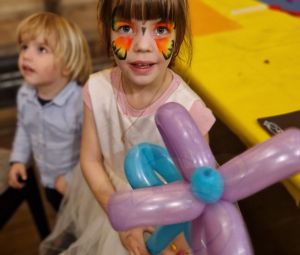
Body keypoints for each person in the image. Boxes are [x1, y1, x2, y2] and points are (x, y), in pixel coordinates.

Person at [40, 0, 215, 254]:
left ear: (180, 35)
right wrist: (122, 218)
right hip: (109, 202)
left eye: (161, 30)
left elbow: (198, 192)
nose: (142, 46)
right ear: (106, 31)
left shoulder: (190, 112)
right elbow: (90, 161)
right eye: (125, 28)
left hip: (167, 221)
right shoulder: (97, 90)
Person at [8, 12, 92, 212]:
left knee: (82, 225)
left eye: (41, 49)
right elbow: (24, 128)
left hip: (79, 185)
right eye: (24, 47)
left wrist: (72, 179)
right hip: (47, 179)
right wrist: (19, 159)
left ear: (67, 64)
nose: (27, 55)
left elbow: (95, 151)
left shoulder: (80, 103)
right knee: (61, 217)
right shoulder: (25, 95)